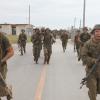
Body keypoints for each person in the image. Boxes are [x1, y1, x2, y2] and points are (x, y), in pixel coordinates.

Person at [81, 24, 100, 100]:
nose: (99, 33)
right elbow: (84, 57)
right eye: (97, 31)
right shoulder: (88, 44)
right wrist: (94, 61)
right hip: (91, 71)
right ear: (93, 33)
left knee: (97, 90)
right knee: (93, 90)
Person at [0, 32, 14, 100]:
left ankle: (8, 91)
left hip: (1, 67)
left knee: (1, 88)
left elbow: (11, 52)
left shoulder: (3, 38)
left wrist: (2, 61)